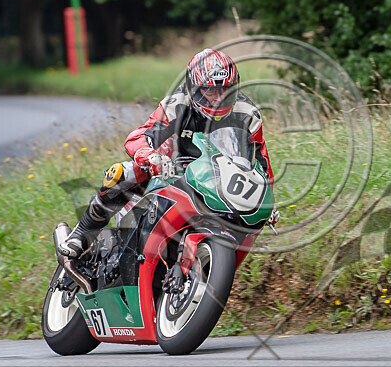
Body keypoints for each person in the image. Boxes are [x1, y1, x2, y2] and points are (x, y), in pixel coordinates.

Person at [58, 48, 276, 259]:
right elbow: (138, 137)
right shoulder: (177, 103)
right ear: (194, 88)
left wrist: (266, 200)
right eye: (209, 90)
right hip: (171, 166)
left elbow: (261, 165)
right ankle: (83, 232)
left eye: (225, 89)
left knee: (249, 220)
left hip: (218, 178)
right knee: (124, 172)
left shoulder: (248, 113)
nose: (217, 98)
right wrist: (150, 156)